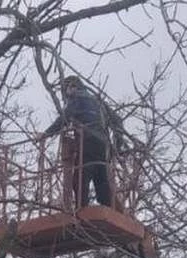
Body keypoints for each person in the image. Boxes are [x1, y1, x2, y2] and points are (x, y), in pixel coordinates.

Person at [40, 75, 124, 209]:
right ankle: (109, 208)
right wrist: (116, 147)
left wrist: (46, 134)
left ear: (72, 87)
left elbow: (65, 118)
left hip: (88, 143)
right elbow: (118, 121)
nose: (66, 96)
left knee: (79, 181)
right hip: (103, 147)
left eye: (66, 90)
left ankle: (81, 213)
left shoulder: (77, 97)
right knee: (101, 182)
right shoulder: (98, 101)